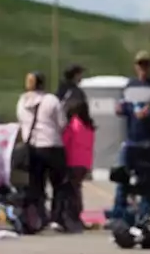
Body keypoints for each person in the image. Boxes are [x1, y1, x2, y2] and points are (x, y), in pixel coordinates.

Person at [109, 51, 150, 224]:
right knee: (122, 178)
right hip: (131, 142)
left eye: (146, 64)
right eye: (140, 64)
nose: (143, 68)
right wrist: (120, 109)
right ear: (135, 66)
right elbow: (125, 107)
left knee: (149, 183)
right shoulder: (130, 86)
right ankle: (118, 216)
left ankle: (143, 218)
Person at [15, 72, 68, 234]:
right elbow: (62, 123)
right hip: (52, 145)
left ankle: (38, 217)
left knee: (36, 185)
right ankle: (57, 218)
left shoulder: (22, 101)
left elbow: (21, 122)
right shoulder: (51, 100)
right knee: (59, 185)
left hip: (32, 147)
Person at [59, 95, 96, 233]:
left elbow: (65, 141)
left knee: (69, 191)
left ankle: (71, 217)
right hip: (85, 163)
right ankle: (77, 216)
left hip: (72, 162)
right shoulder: (89, 126)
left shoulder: (73, 125)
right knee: (76, 189)